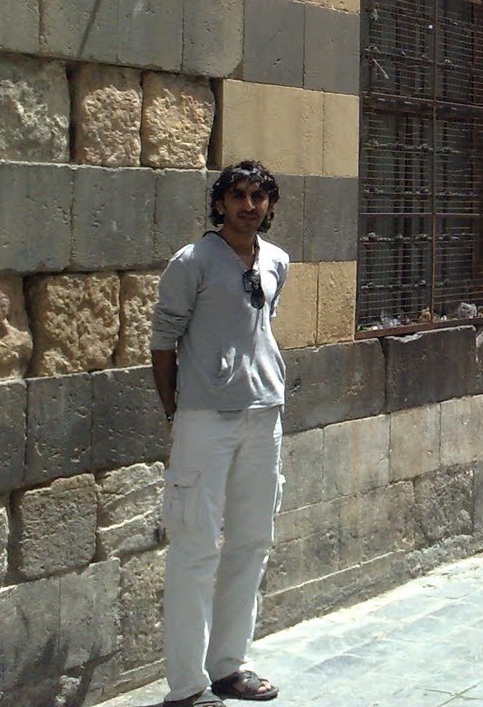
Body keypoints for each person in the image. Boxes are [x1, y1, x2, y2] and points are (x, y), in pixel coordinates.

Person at [151, 161, 290, 706]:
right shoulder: (192, 262)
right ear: (219, 204)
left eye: (258, 197)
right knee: (194, 547)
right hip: (204, 420)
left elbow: (259, 328)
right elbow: (164, 339)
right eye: (238, 196)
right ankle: (186, 687)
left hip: (264, 415)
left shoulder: (277, 260)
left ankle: (229, 665)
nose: (248, 206)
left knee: (252, 542)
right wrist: (174, 409)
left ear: (269, 206)